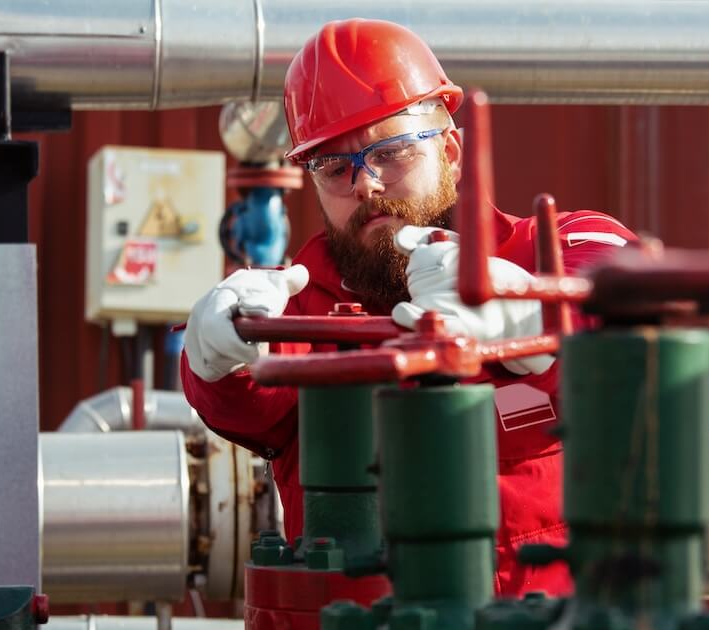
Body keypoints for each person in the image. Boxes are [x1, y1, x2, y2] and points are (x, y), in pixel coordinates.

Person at [182, 18, 636, 597]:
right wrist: (216, 359)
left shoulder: (551, 248)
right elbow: (247, 404)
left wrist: (526, 313)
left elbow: (623, 297)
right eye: (332, 166)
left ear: (450, 150)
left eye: (391, 152)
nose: (365, 184)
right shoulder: (295, 308)